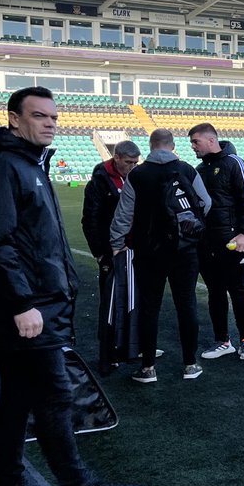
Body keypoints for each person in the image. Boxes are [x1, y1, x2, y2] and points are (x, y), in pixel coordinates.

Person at [0, 86, 143, 486]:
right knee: (54, 395)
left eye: (53, 117)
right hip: (27, 310)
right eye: (39, 115)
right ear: (14, 119)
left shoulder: (27, 164)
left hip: (36, 305)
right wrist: (23, 303)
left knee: (17, 401)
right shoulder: (2, 166)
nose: (49, 122)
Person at [109, 129, 211, 383]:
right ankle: (190, 363)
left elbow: (124, 214)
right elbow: (205, 203)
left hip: (149, 251)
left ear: (151, 146)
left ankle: (148, 368)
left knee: (150, 307)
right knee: (186, 305)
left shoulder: (138, 174)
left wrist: (116, 243)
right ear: (172, 145)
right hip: (184, 251)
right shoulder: (187, 169)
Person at [188, 123, 244, 361]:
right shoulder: (199, 170)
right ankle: (223, 341)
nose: (193, 147)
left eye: (195, 142)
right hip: (206, 244)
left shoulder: (235, 164)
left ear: (210, 140)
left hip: (233, 242)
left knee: (239, 292)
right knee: (215, 292)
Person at [82, 141, 142, 367]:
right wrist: (100, 254)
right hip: (111, 252)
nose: (133, 166)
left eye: (136, 162)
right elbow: (90, 220)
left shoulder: (135, 178)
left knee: (135, 299)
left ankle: (133, 346)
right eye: (129, 162)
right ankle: (108, 353)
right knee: (110, 302)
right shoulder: (99, 182)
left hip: (134, 250)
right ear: (116, 158)